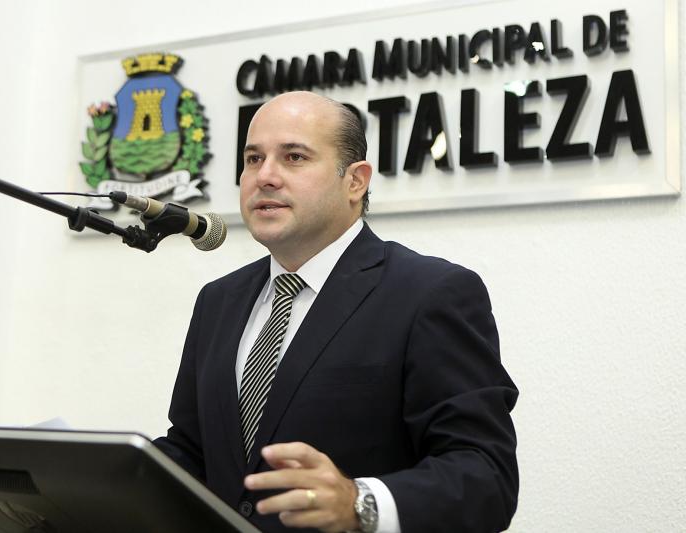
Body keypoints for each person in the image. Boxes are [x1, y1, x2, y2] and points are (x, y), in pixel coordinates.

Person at [154, 91, 519, 532]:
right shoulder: (219, 299)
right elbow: (193, 451)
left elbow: (486, 476)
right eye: (253, 159)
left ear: (356, 181)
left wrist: (359, 502)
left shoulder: (429, 293)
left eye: (294, 157)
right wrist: (101, 484)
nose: (264, 176)